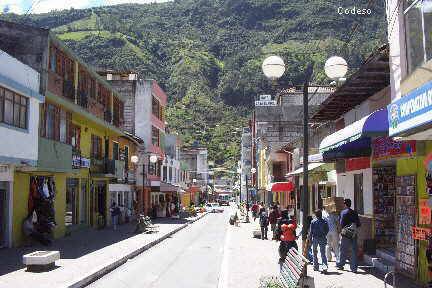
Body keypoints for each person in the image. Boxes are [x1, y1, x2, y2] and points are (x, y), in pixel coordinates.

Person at [337, 198, 361, 273]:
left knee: (343, 249)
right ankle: (354, 268)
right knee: (354, 250)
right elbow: (358, 224)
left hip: (346, 234)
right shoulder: (355, 212)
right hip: (354, 234)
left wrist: (340, 232)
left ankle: (341, 265)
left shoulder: (343, 212)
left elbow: (341, 224)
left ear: (345, 204)